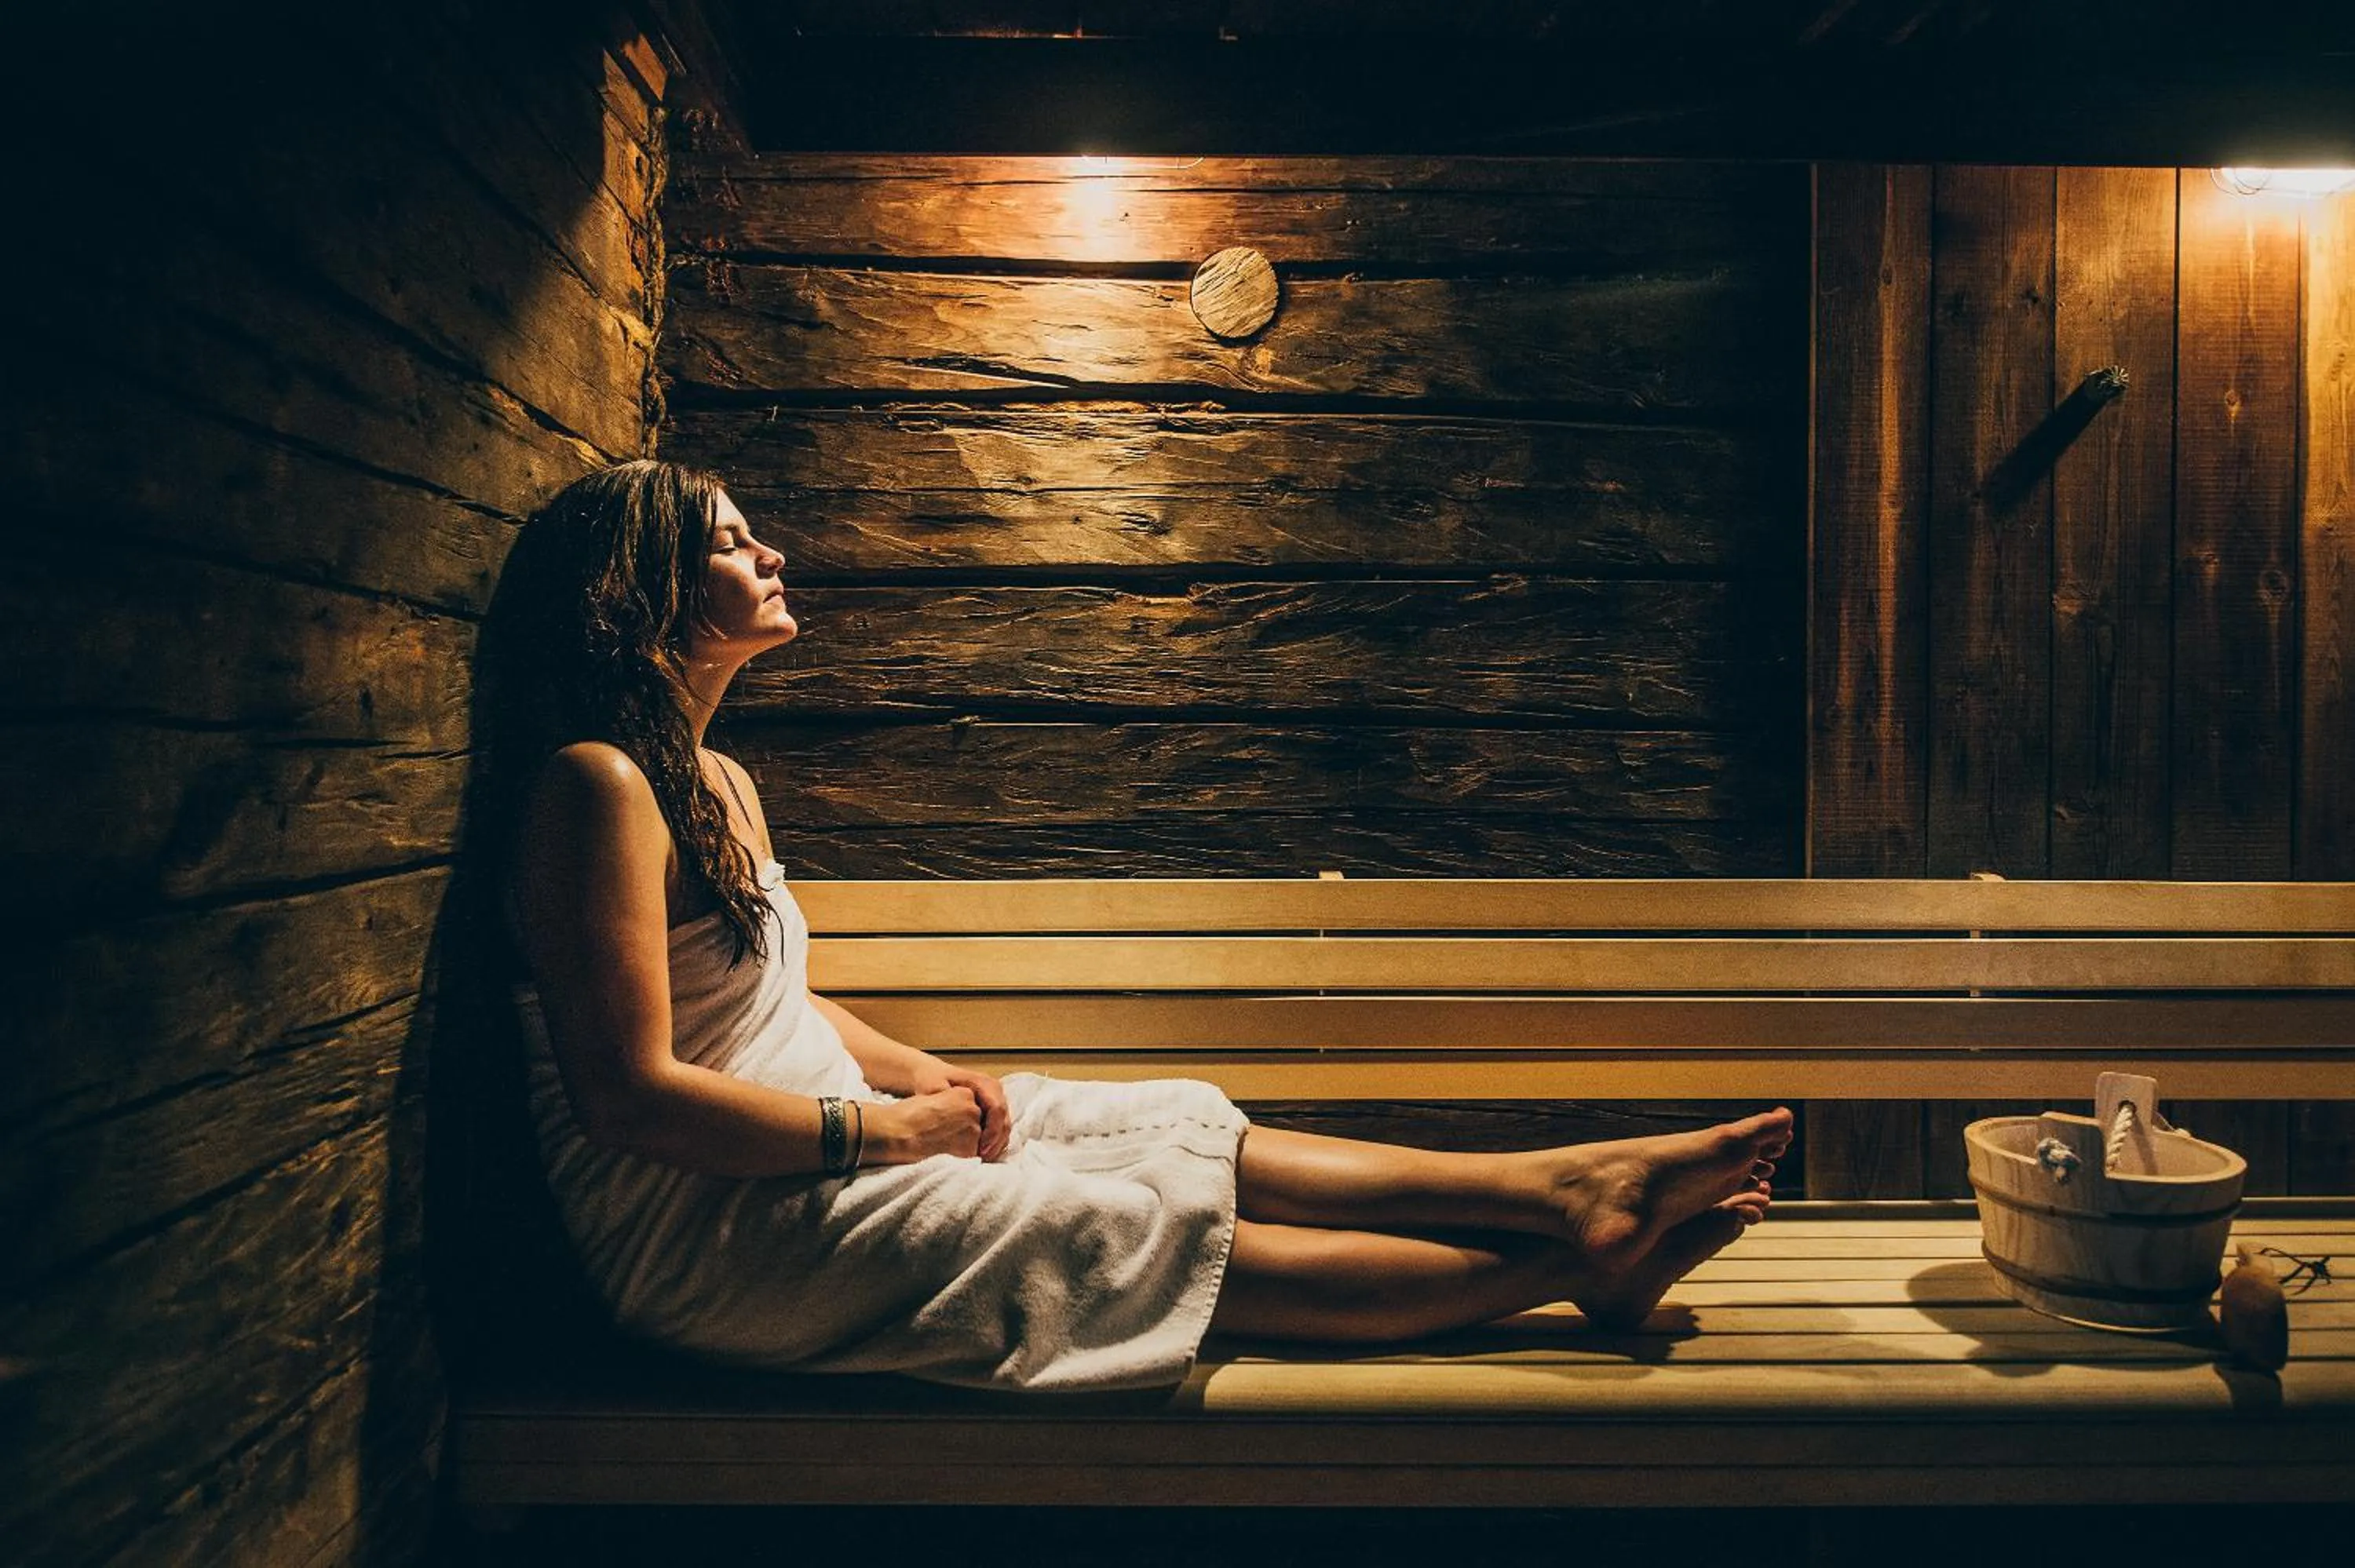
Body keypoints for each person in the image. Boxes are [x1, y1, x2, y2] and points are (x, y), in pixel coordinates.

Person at [473, 459, 1792, 1393]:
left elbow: (762, 1003)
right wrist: (889, 1129)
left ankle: (1555, 1188)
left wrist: (918, 1076)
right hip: (704, 1224)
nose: (770, 554)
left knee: (1156, 1117)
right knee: (1099, 1218)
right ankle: (1559, 1275)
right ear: (637, 589)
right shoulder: (596, 786)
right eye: (729, 540)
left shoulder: (716, 782)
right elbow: (630, 1098)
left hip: (803, 1142)